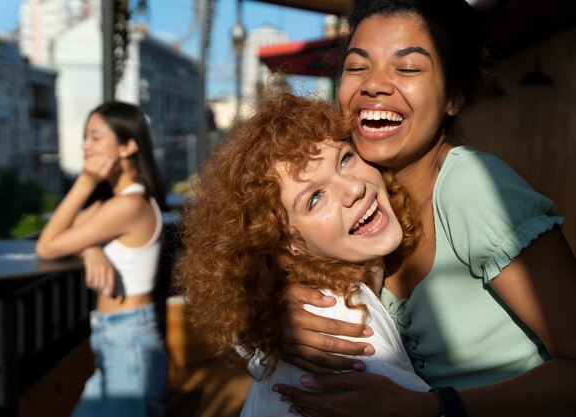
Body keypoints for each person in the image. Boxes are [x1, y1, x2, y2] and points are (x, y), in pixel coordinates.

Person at [273, 0, 576, 416]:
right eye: (358, 67)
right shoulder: (360, 202)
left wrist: (435, 406)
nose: (374, 85)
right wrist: (279, 320)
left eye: (408, 68)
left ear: (454, 97)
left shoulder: (473, 188)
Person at [174, 93, 431, 417]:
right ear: (285, 244)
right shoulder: (341, 330)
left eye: (345, 159)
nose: (353, 189)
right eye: (315, 198)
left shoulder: (298, 312)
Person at [36, 101, 168, 417]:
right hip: (113, 336)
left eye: (95, 137)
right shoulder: (115, 202)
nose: (85, 144)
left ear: (127, 146)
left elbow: (47, 246)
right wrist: (90, 247)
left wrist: (85, 181)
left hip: (129, 340)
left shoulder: (130, 205)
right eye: (86, 136)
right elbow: (64, 230)